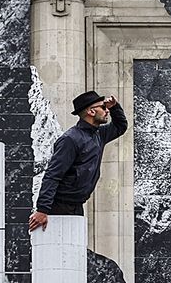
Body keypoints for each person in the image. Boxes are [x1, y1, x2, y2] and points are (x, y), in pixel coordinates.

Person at [29, 92, 128, 231]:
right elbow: (53, 174)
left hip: (76, 206)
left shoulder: (99, 134)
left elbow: (120, 126)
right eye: (103, 107)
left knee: (73, 250)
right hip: (58, 208)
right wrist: (42, 210)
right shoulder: (70, 139)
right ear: (91, 111)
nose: (107, 111)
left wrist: (115, 107)